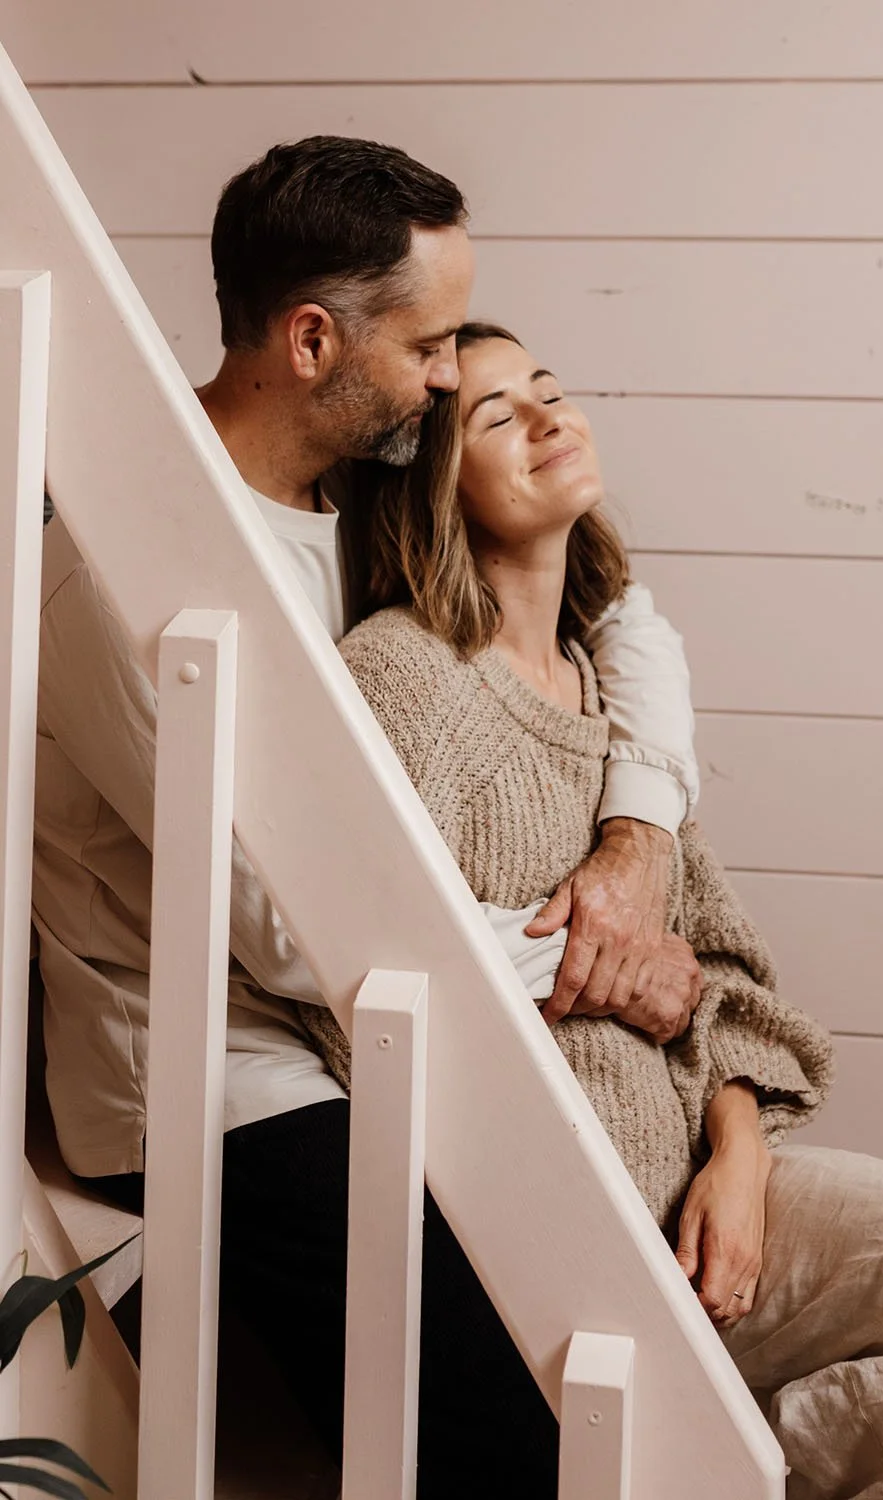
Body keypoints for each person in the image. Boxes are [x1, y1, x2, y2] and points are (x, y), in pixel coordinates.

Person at [32, 139, 702, 1493]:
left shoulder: (364, 493)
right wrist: (594, 963)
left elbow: (619, 612)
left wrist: (635, 844)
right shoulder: (116, 568)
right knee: (513, 1433)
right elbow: (291, 924)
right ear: (312, 337)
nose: (453, 376)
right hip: (218, 1077)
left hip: (380, 1012)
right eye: (433, 342)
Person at [302, 321, 883, 1500]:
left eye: (551, 390)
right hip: (556, 1237)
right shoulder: (403, 676)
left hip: (706, 1189)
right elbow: (356, 989)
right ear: (432, 485)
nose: (546, 417)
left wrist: (737, 1160)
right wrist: (596, 970)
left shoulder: (611, 693)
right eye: (494, 415)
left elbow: (717, 973)